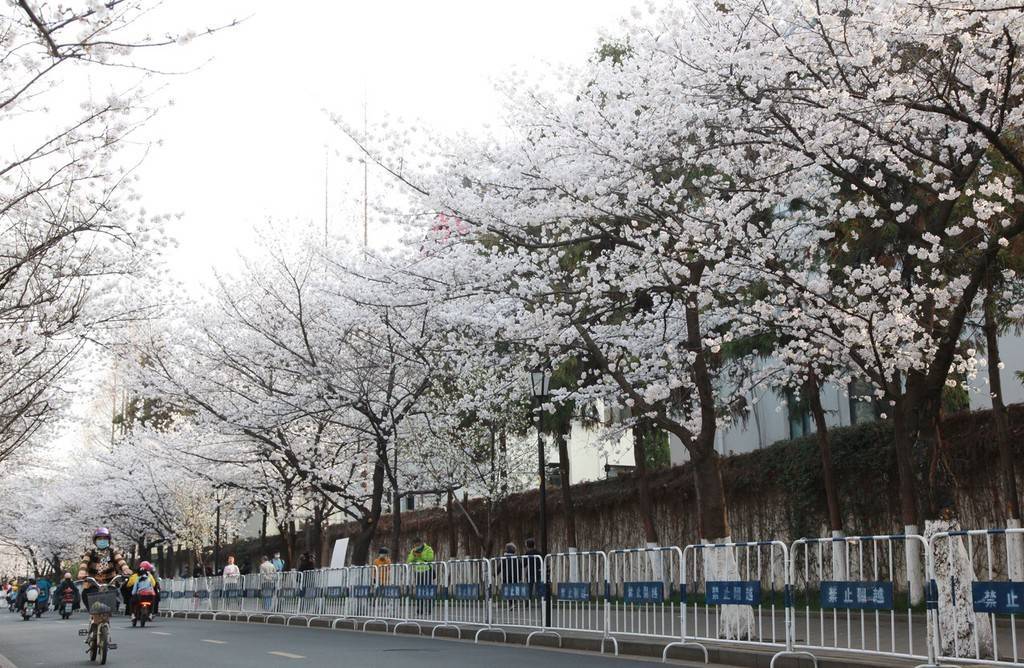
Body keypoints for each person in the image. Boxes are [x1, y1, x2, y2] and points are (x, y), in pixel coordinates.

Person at [76, 527, 131, 612]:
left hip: (109, 584)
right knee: (89, 600)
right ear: (95, 541)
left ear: (108, 541)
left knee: (112, 603)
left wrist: (125, 568)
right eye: (100, 538)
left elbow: (120, 561)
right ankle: (93, 619)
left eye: (105, 538)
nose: (102, 540)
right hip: (93, 585)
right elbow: (84, 563)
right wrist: (82, 572)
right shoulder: (90, 553)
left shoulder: (113, 552)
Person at [406, 538, 434, 614]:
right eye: (415, 545)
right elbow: (409, 560)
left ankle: (429, 608)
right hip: (418, 572)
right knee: (419, 590)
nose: (416, 546)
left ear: (421, 543)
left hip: (427, 571)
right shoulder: (413, 550)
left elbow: (430, 558)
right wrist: (414, 556)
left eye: (417, 544)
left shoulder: (428, 549)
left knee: (427, 589)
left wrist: (421, 555)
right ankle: (420, 608)